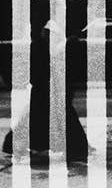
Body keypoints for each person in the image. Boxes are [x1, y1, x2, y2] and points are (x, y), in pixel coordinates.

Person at [3, 20, 89, 162]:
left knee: (37, 120)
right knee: (61, 120)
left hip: (43, 93)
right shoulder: (59, 48)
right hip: (52, 92)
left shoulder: (40, 47)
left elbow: (32, 72)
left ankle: (21, 145)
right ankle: (74, 149)